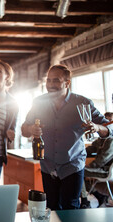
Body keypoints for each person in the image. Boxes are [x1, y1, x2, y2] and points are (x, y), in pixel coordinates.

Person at [21, 64, 113, 210]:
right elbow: (24, 129)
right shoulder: (38, 102)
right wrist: (31, 129)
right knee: (51, 207)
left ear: (67, 83)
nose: (51, 85)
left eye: (56, 80)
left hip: (72, 165)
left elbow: (109, 128)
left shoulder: (83, 102)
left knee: (71, 208)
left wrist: (96, 127)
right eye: (49, 80)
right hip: (48, 165)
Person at [80, 112, 113, 208]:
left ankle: (85, 201)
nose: (106, 123)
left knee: (80, 172)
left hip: (106, 170)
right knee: (78, 173)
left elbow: (103, 159)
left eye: (109, 120)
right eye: (105, 120)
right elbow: (91, 148)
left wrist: (91, 165)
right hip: (100, 168)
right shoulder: (101, 139)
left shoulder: (111, 139)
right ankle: (99, 196)